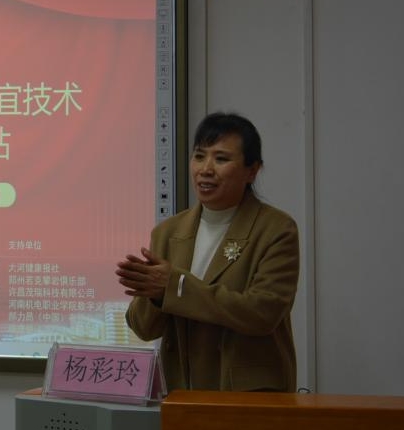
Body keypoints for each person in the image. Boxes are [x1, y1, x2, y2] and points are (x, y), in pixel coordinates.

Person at [116, 112, 299, 392]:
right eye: (199, 156)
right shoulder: (167, 232)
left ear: (252, 170)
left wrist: (175, 287)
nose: (206, 169)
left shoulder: (276, 229)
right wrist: (155, 296)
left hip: (248, 397)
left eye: (221, 159)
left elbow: (262, 313)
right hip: (183, 395)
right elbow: (144, 329)